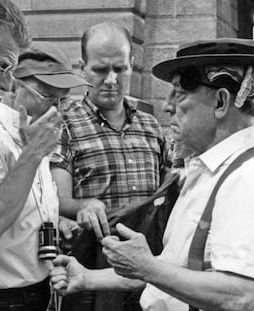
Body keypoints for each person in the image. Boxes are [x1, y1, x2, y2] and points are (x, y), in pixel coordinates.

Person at [50, 38, 254, 311]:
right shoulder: (207, 171)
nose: (168, 107)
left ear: (220, 101)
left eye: (179, 94)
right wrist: (88, 277)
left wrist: (147, 268)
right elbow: (173, 269)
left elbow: (242, 297)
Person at [0, 42, 88, 311]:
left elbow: (17, 203)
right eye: (48, 96)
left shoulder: (32, 132)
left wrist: (52, 220)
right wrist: (33, 155)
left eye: (63, 100)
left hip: (34, 292)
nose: (57, 110)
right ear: (14, 84)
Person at [50, 22, 166, 311]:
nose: (112, 79)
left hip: (150, 270)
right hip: (90, 272)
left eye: (120, 68)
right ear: (82, 68)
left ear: (132, 66)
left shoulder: (151, 126)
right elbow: (56, 200)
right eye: (101, 70)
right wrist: (83, 206)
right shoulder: (64, 125)